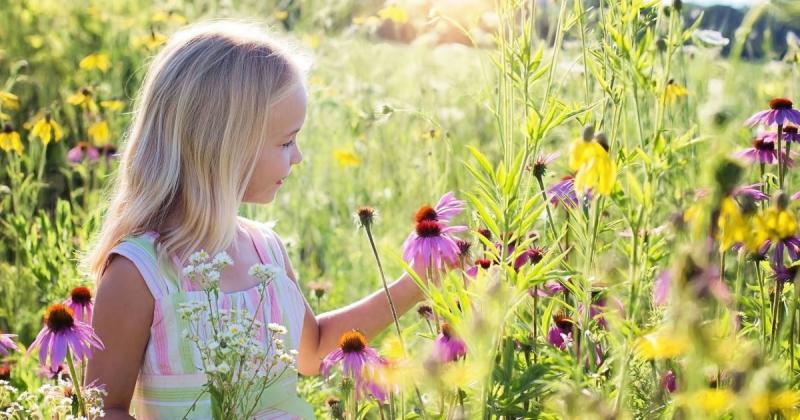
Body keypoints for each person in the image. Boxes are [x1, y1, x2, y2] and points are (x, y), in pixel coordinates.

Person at [83, 20, 427, 419]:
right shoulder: (140, 272)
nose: (297, 157)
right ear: (224, 145)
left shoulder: (266, 251)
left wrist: (414, 283)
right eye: (286, 142)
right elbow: (104, 409)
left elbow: (313, 351)